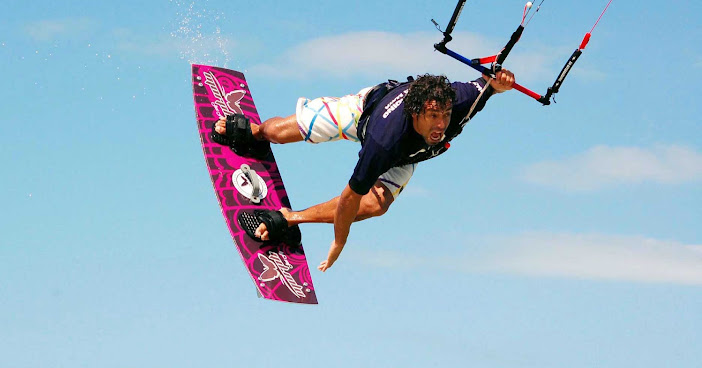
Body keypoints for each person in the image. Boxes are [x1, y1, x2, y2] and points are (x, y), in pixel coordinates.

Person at [212, 69, 516, 272]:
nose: (441, 124)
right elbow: (349, 198)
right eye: (433, 116)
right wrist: (339, 241)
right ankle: (253, 132)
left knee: (377, 204)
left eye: (446, 115)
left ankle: (291, 218)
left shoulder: (462, 100)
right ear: (416, 112)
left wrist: (499, 81)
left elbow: (489, 83)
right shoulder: (384, 140)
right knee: (277, 133)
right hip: (363, 113)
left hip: (406, 157)